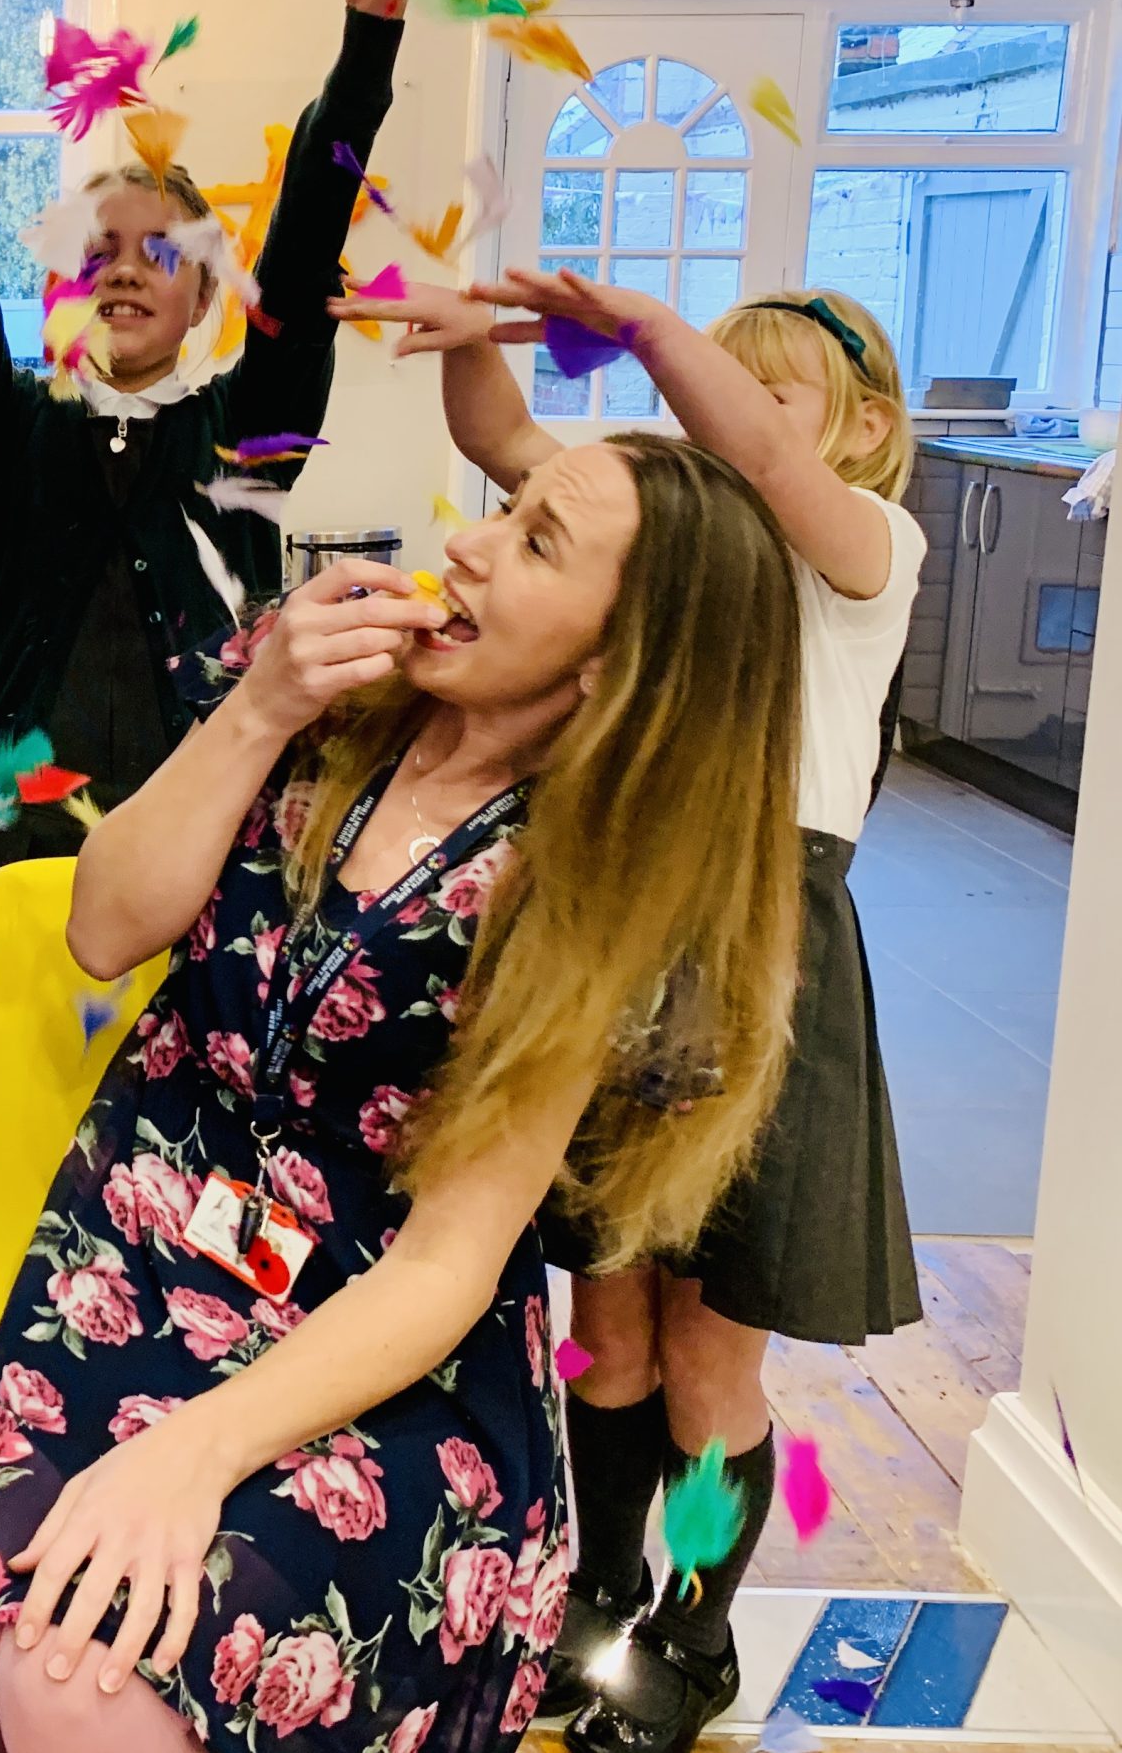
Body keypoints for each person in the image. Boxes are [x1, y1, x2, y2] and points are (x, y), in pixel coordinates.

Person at [0, 434, 810, 1753]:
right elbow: (101, 924)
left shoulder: (584, 893)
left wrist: (189, 1455)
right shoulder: (332, 715)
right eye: (506, 508)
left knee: (74, 1682)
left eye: (538, 542)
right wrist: (253, 707)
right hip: (132, 1270)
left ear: (621, 662)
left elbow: (443, 1270)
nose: (471, 542)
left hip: (367, 1359)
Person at [334, 270, 922, 1753]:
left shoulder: (870, 555)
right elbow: (511, 438)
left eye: (763, 389)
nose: (725, 417)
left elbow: (778, 472)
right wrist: (467, 346)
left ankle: (693, 1625)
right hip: (625, 934)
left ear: (862, 424)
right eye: (716, 383)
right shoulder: (676, 536)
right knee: (605, 1322)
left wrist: (658, 337)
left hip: (768, 967)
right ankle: (595, 1587)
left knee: (714, 1358)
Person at [0, 0, 409, 1077]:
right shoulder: (10, 433)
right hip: (13, 846)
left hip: (192, 841)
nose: (123, 268)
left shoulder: (243, 438)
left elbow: (298, 272)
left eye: (160, 250)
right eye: (98, 249)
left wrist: (366, 53)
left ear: (207, 292)